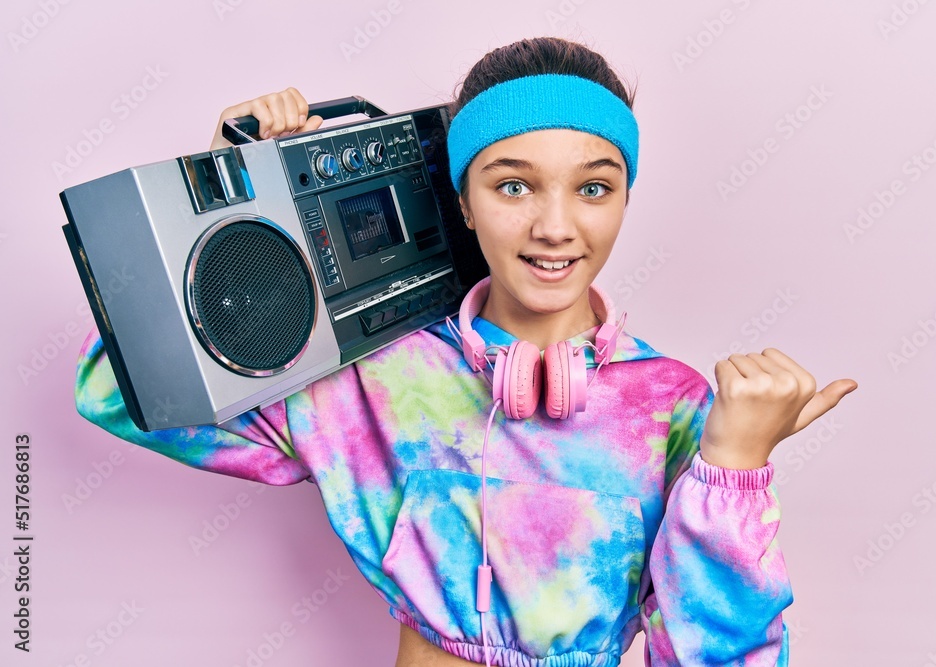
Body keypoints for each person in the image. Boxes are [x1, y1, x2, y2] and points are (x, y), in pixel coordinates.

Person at [74, 36, 857, 666]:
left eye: (593, 187)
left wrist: (732, 469)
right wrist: (216, 197)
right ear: (463, 202)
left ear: (625, 197)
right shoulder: (373, 376)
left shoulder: (674, 406)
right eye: (513, 185)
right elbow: (117, 390)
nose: (556, 227)